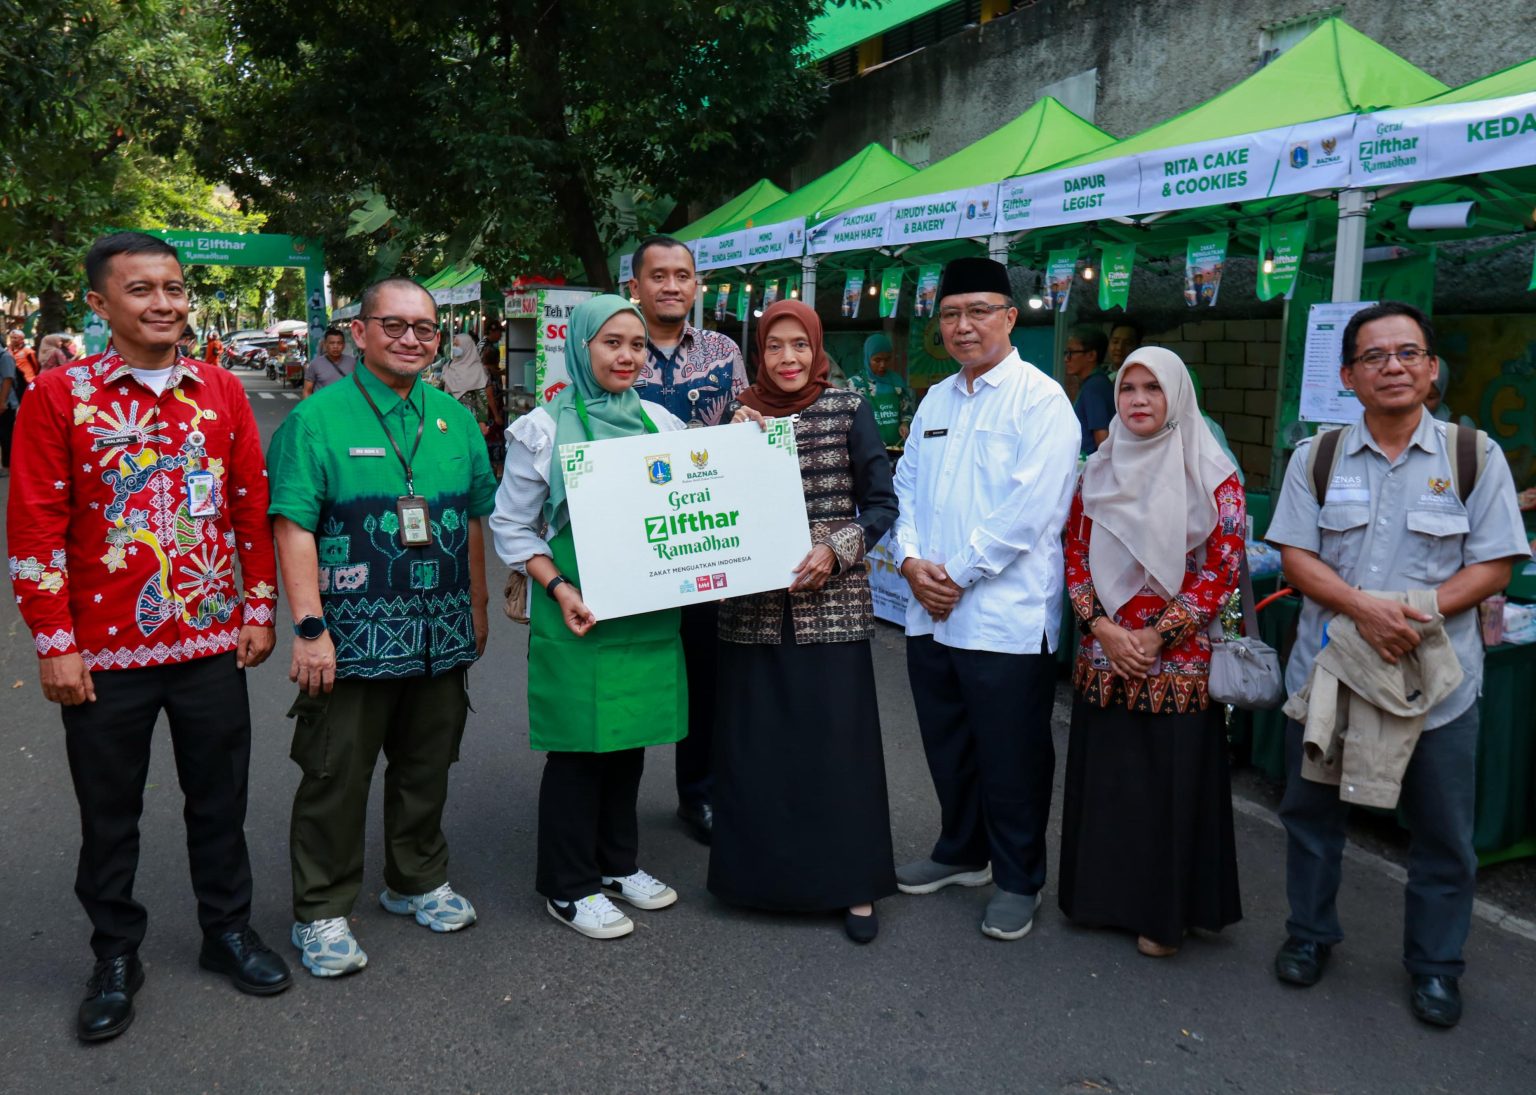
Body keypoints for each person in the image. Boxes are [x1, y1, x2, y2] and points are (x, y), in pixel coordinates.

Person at [6, 231, 291, 1042]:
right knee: (109, 814)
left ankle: (226, 932)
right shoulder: (59, 396)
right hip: (101, 656)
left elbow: (247, 506)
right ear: (99, 304)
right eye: (141, 289)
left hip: (208, 644)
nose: (164, 302)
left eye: (172, 286)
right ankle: (116, 954)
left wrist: (258, 607)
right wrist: (54, 641)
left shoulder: (222, 391)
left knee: (221, 800)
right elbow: (34, 525)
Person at [1264, 301, 1531, 1028]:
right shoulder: (1315, 457)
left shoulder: (1474, 456)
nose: (1394, 366)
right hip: (1330, 678)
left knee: (1443, 835)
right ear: (1348, 375)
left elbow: (1497, 564)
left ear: (1432, 368)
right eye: (1376, 356)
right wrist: (1364, 607)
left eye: (1408, 353)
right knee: (1313, 817)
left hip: (1436, 685)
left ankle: (1436, 967)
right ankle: (1309, 935)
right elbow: (1294, 554)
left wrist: (1409, 613)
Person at [267, 277, 496, 977]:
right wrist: (309, 627)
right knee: (335, 772)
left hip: (440, 633)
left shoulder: (455, 420)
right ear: (359, 332)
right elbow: (293, 526)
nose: (410, 338)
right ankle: (322, 908)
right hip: (350, 638)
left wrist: (479, 608)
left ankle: (415, 879)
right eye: (393, 325)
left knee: (427, 764)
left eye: (424, 329)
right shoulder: (318, 419)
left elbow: (474, 517)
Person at [891, 256, 1079, 941]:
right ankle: (960, 850)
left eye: (977, 311)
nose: (963, 326)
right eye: (950, 314)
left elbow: (1029, 512)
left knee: (1012, 755)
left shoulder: (1040, 399)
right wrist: (911, 561)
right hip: (930, 612)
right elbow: (905, 486)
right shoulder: (937, 400)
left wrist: (954, 576)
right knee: (948, 743)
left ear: (1009, 316)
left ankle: (1019, 876)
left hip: (1002, 618)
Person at [489, 294, 687, 940]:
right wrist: (559, 586)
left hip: (645, 614)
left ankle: (617, 863)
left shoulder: (662, 423)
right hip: (575, 610)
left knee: (630, 739)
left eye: (636, 345)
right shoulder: (542, 429)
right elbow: (512, 527)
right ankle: (568, 885)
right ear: (580, 347)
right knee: (578, 749)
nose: (626, 356)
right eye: (611, 343)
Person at [711, 301, 899, 943]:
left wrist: (836, 548)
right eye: (773, 347)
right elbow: (706, 502)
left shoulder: (848, 409)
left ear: (816, 350)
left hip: (831, 607)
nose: (787, 359)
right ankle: (755, 880)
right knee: (757, 747)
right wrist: (731, 443)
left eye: (799, 345)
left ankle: (854, 887)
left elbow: (881, 504)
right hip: (752, 612)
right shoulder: (737, 415)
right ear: (758, 353)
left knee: (836, 750)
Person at [1059, 346, 1245, 958]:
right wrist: (1105, 630)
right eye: (1128, 389)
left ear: (1177, 395)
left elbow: (1222, 566)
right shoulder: (1096, 471)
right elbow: (1075, 555)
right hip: (1106, 657)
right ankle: (1100, 898)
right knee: (1112, 782)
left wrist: (1156, 635)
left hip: (1180, 662)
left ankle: (1162, 915)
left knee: (1167, 789)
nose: (1138, 400)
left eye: (1152, 388)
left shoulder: (1214, 473)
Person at [626, 234, 748, 845]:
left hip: (701, 536)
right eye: (658, 276)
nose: (671, 285)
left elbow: (741, 434)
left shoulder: (725, 350)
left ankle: (698, 794)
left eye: (683, 275)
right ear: (636, 286)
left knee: (707, 673)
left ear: (696, 285)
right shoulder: (615, 346)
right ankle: (613, 798)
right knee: (631, 670)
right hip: (631, 538)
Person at [846, 332, 915, 448]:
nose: (883, 365)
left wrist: (905, 423)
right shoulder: (854, 385)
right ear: (868, 358)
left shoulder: (897, 382)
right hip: (866, 450)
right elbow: (847, 420)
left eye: (887, 359)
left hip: (896, 449)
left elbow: (907, 412)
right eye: (877, 360)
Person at [1064, 323, 1114, 456]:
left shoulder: (1094, 386)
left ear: (1091, 355)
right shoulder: (1097, 382)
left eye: (1071, 353)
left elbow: (1102, 440)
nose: (1066, 359)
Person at [441, 332, 502, 439]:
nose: (455, 348)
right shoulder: (449, 366)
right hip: (450, 414)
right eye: (454, 345)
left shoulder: (478, 370)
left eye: (457, 345)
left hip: (469, 415)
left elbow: (482, 397)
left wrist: (482, 421)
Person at [301, 327, 355, 397]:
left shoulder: (353, 363)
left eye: (339, 343)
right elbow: (307, 391)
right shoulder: (315, 364)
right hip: (322, 406)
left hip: (345, 405)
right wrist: (310, 407)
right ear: (325, 345)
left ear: (344, 345)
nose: (335, 346)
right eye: (332, 343)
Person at [0, 336, 15, 474]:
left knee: (6, 435)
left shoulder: (4, 357)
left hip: (6, 403)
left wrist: (2, 402)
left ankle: (8, 466)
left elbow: (8, 379)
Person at [9, 328, 39, 399]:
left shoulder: (28, 351)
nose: (12, 340)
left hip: (28, 380)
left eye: (15, 338)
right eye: (11, 338)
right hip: (15, 381)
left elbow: (36, 366)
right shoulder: (8, 351)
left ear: (21, 339)